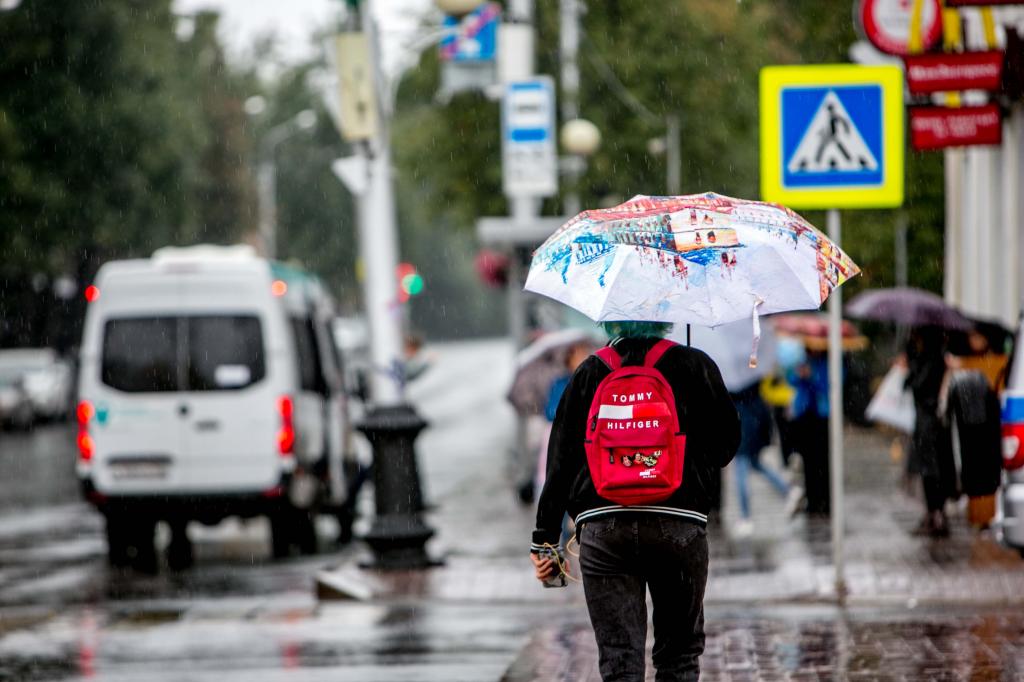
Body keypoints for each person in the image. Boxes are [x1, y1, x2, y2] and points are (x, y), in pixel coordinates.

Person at [530, 321, 740, 681]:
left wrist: (546, 541)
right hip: (679, 523)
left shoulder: (590, 370)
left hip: (604, 526)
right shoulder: (694, 364)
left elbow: (559, 464)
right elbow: (725, 448)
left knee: (619, 660)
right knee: (679, 657)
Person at [905, 326, 955, 537]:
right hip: (931, 421)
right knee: (933, 469)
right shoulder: (935, 355)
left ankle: (936, 514)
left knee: (931, 470)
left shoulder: (931, 357)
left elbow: (917, 385)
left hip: (929, 421)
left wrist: (911, 361)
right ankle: (935, 513)